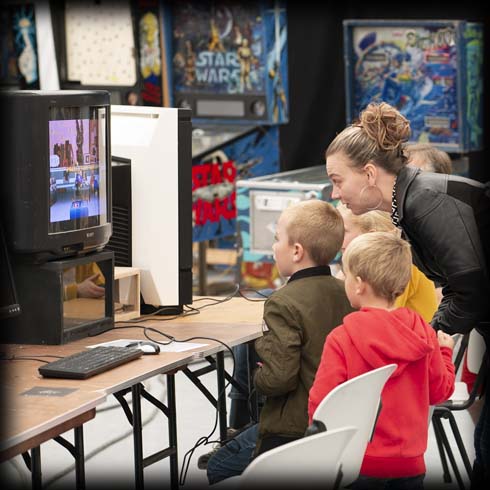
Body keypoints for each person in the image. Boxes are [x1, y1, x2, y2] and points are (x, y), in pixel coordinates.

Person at [324, 101, 490, 487]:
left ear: (369, 173)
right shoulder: (412, 201)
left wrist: (425, 338)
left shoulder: (425, 202)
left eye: (337, 180)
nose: (335, 193)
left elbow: (472, 290)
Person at [206, 199, 354, 484]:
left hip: (292, 429)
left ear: (297, 251)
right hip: (335, 421)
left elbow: (278, 379)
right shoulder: (346, 292)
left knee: (217, 466)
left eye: (276, 239)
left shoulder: (282, 302)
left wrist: (258, 375)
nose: (273, 248)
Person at [309, 232, 456, 489]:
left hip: (357, 462)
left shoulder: (342, 338)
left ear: (358, 284)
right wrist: (445, 353)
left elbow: (322, 405)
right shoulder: (423, 333)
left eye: (345, 273)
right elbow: (440, 392)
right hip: (410, 464)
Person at [336, 203, 438, 323]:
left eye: (344, 231)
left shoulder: (400, 266)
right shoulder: (362, 268)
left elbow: (379, 320)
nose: (338, 238)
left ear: (371, 235)